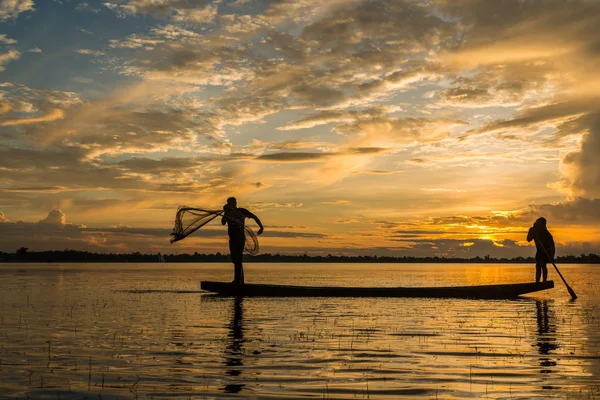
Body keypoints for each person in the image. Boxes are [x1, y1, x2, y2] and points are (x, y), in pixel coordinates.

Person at [221, 197, 263, 285]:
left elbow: (253, 216)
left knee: (238, 259)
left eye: (232, 203)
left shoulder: (242, 211)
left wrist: (261, 226)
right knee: (235, 260)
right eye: (229, 203)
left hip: (240, 237)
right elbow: (223, 222)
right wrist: (225, 212)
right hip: (232, 238)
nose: (231, 204)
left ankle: (237, 281)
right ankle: (240, 281)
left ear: (235, 203)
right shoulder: (227, 213)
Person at [526, 217, 555, 283]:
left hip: (546, 251)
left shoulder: (547, 234)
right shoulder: (533, 230)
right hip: (539, 251)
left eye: (541, 225)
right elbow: (528, 239)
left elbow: (552, 246)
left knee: (543, 264)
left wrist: (551, 256)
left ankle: (544, 281)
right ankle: (537, 282)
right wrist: (533, 234)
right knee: (538, 266)